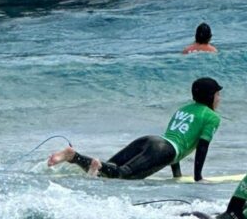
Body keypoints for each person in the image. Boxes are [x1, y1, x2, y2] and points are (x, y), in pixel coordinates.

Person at [46, 77, 222, 180]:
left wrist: (177, 176)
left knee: (107, 171)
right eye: (217, 94)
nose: (219, 98)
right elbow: (202, 146)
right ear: (210, 96)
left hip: (151, 141)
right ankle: (90, 162)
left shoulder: (184, 109)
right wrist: (198, 177)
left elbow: (174, 139)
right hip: (164, 151)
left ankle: (73, 156)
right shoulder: (212, 117)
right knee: (122, 175)